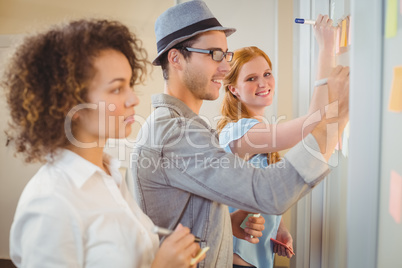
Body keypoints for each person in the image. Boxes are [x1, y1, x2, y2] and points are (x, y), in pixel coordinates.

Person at [131, 1, 349, 267]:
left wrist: (224, 224)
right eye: (213, 54)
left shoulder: (185, 127)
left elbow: (187, 210)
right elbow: (270, 193)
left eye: (225, 54)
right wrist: (336, 118)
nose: (224, 68)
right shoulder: (175, 133)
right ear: (176, 58)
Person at [4, 19, 205, 268]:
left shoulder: (110, 176)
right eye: (116, 89)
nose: (133, 99)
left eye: (129, 85)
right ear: (70, 103)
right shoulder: (50, 202)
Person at [216, 14, 336, 268]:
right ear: (233, 89)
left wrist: (277, 226)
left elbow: (259, 184)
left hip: (254, 257)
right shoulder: (240, 132)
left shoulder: (256, 130)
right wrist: (327, 49)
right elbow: (310, 126)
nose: (263, 83)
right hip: (238, 261)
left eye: (267, 74)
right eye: (251, 78)